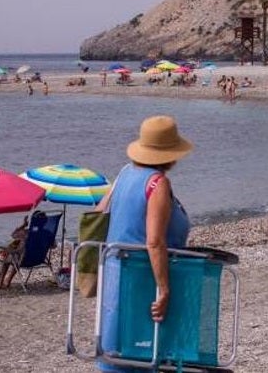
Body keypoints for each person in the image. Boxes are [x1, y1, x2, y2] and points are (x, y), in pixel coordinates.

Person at [95, 116, 194, 372]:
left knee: (118, 349)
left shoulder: (124, 174)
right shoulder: (157, 184)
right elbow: (154, 241)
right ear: (171, 154)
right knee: (144, 352)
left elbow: (98, 214)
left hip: (117, 274)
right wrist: (164, 289)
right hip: (143, 278)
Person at [0, 214, 31, 290]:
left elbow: (13, 235)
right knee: (18, 255)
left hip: (24, 260)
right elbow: (53, 246)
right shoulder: (47, 233)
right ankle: (8, 280)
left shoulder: (26, 232)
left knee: (10, 257)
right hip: (38, 259)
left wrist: (23, 225)